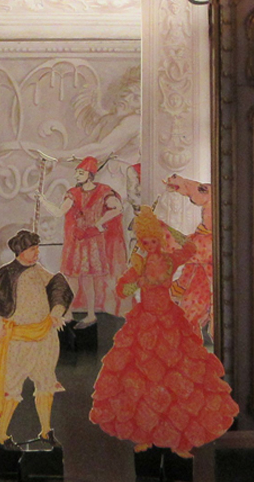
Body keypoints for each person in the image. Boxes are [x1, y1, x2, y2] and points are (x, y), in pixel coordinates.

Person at [89, 207, 238, 456]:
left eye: (154, 240)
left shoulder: (170, 260)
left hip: (169, 320)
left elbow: (189, 248)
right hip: (144, 322)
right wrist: (136, 284)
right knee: (144, 379)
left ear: (160, 239)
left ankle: (180, 442)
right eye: (145, 242)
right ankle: (145, 436)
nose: (150, 245)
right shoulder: (139, 264)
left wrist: (169, 229)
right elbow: (122, 289)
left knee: (177, 376)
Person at [0, 230, 73, 449]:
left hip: (44, 337)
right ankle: (2, 436)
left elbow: (58, 284)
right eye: (32, 249)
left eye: (37, 249)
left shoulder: (37, 270)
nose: (36, 253)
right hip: (18, 340)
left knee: (45, 384)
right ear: (20, 251)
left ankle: (46, 431)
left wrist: (56, 311)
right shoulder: (6, 274)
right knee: (12, 387)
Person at [37, 156, 127, 327]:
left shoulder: (103, 191)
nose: (76, 176)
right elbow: (59, 212)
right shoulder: (73, 193)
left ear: (90, 174)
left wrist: (99, 222)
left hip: (92, 240)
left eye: (80, 173)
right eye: (76, 172)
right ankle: (68, 312)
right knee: (71, 278)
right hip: (76, 240)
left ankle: (91, 315)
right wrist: (44, 202)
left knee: (88, 279)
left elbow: (118, 208)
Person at [163, 173, 214, 340]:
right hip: (200, 274)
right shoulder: (203, 235)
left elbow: (198, 190)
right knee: (187, 313)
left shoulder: (207, 239)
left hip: (206, 271)